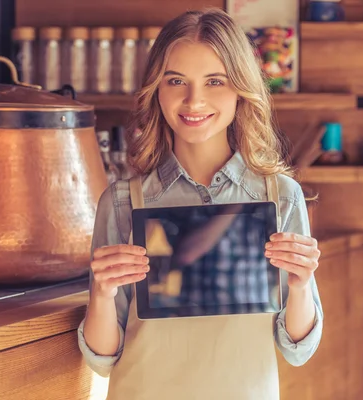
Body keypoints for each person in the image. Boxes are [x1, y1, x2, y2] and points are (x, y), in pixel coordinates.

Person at [77, 7, 323, 400]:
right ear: (157, 89)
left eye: (215, 81)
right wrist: (102, 294)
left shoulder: (280, 197)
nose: (194, 100)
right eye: (177, 80)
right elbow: (103, 359)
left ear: (241, 88)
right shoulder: (124, 202)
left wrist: (300, 284)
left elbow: (298, 348)